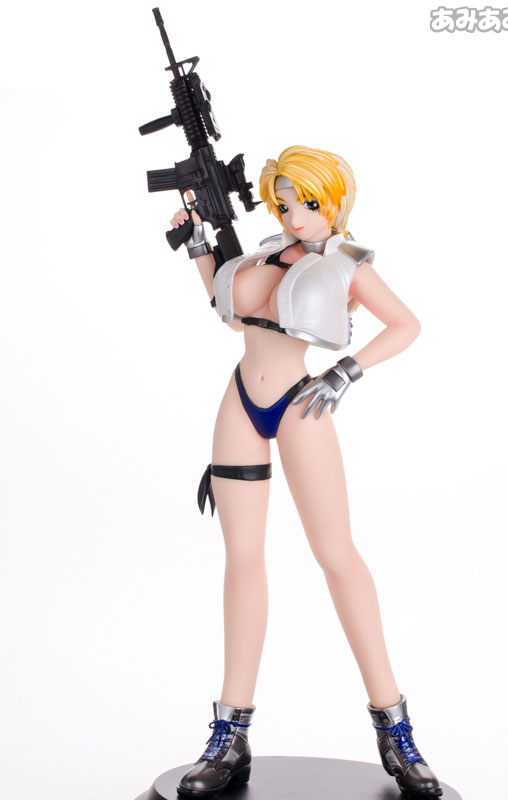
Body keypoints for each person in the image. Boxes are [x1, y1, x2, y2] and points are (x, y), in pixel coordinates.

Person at [171, 146, 442, 799]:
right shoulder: (265, 252)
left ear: (335, 201)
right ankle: (229, 733)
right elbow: (229, 313)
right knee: (242, 559)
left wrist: (345, 372)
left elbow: (405, 325)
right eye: (286, 201)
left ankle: (396, 732)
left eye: (310, 203)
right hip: (240, 401)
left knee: (336, 555)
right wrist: (197, 242)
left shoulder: (347, 262)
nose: (295, 215)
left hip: (302, 404)